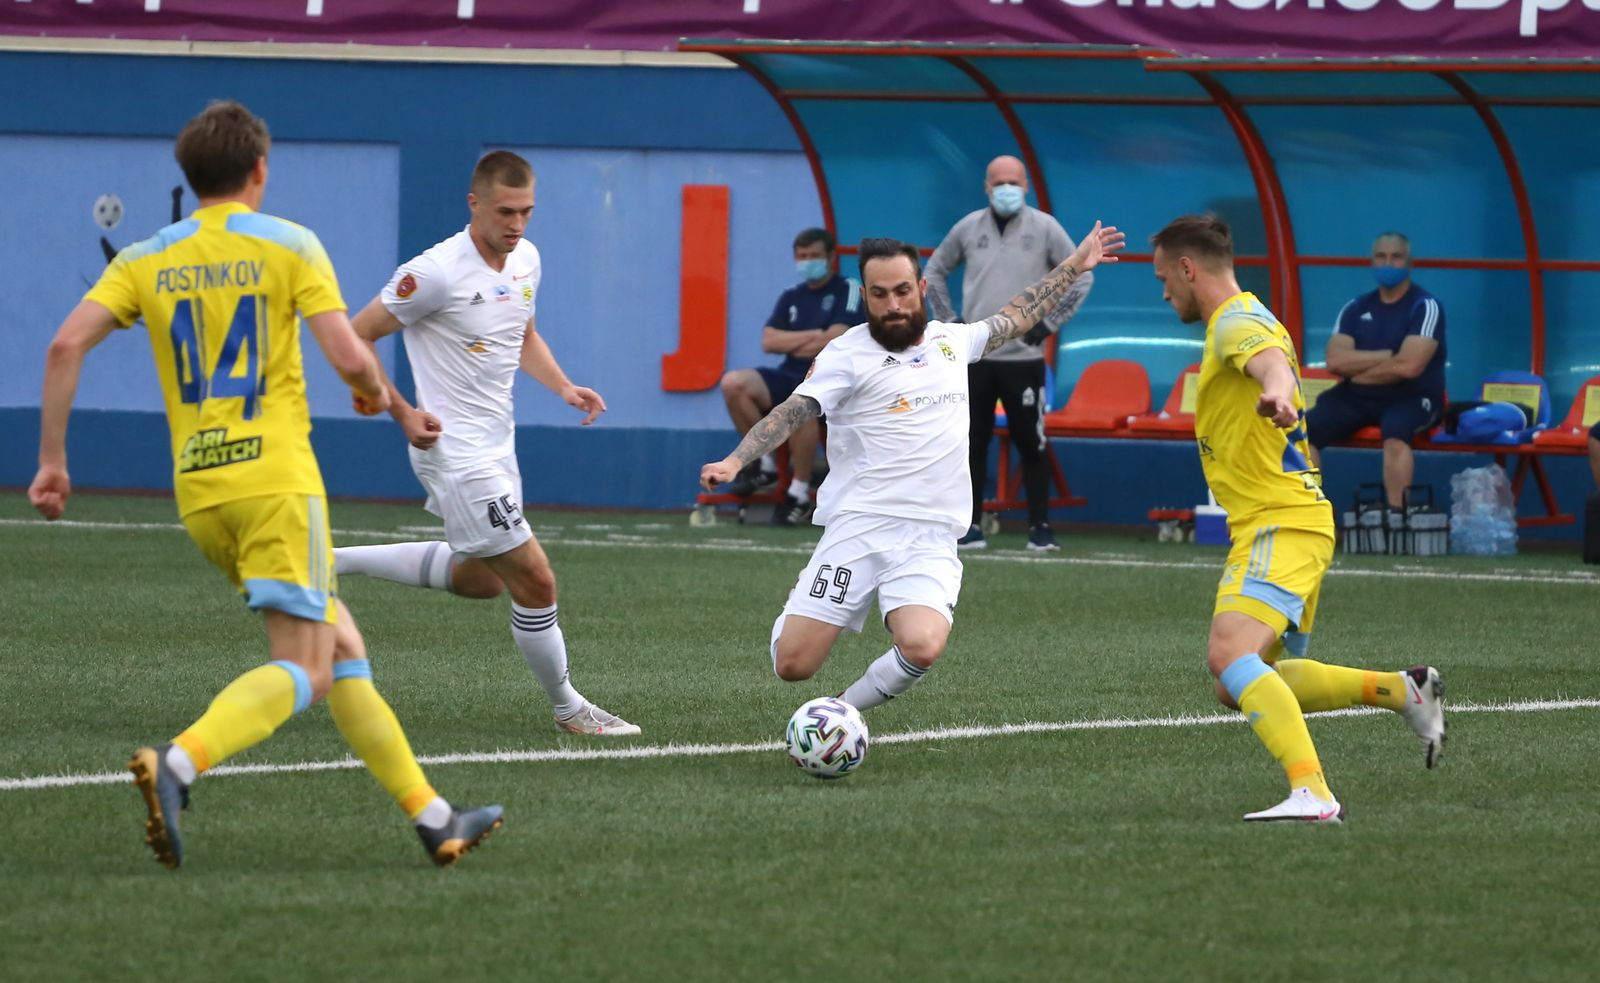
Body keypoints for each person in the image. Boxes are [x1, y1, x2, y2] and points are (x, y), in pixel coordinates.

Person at [27, 100, 502, 869]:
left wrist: (53, 462)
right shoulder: (289, 243)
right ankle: (177, 762)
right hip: (276, 483)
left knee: (341, 647)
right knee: (306, 666)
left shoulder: (144, 258)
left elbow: (62, 347)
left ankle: (435, 816)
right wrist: (376, 396)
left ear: (190, 175)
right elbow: (348, 355)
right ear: (259, 170)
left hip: (200, 492)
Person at [700, 224, 1123, 711]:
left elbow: (1016, 316)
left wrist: (1076, 264)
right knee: (792, 665)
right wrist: (736, 460)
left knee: (922, 645)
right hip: (860, 526)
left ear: (921, 288)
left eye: (902, 291)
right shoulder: (845, 354)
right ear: (865, 296)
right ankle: (802, 609)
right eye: (879, 294)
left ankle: (840, 711)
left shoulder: (952, 341)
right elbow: (794, 411)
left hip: (930, 535)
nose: (893, 304)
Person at [329, 151, 639, 737]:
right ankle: (570, 708)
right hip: (453, 453)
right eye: (505, 212)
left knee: (483, 579)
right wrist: (401, 412)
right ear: (474, 204)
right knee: (536, 580)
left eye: (526, 212)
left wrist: (564, 387)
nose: (517, 224)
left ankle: (325, 563)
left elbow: (521, 333)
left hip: (497, 447)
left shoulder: (527, 260)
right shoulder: (435, 272)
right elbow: (356, 334)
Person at [1150, 214, 1447, 823]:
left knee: (1229, 656)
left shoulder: (1235, 321)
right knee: (1239, 680)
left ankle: (1312, 793)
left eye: (1163, 279)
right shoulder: (1246, 316)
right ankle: (1402, 689)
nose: (1163, 293)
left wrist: (1281, 393)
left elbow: (1271, 365)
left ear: (1187, 268)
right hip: (1286, 519)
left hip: (1279, 521)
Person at [924, 155, 1093, 552]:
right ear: (986, 186)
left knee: (1032, 443)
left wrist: (1048, 325)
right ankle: (969, 526)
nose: (1006, 189)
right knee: (971, 443)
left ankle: (1040, 528)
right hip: (976, 358)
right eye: (999, 182)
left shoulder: (1045, 227)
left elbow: (1081, 275)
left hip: (1024, 360)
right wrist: (951, 322)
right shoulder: (968, 227)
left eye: (1013, 182)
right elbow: (933, 271)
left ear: (1026, 186)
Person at [717, 228, 863, 525]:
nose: (808, 261)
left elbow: (837, 338)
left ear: (830, 257)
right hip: (790, 372)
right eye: (802, 256)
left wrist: (796, 339)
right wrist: (816, 335)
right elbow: (769, 341)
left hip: (831, 379)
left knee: (803, 401)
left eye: (814, 256)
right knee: (733, 384)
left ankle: (798, 492)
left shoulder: (848, 289)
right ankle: (764, 463)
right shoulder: (791, 296)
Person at [1306, 232, 1447, 508]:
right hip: (1357, 397)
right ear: (1372, 261)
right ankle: (1311, 513)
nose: (1388, 263)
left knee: (1396, 431)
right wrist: (1387, 355)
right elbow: (1335, 361)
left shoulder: (1425, 306)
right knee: (1303, 432)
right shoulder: (1355, 307)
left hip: (1412, 396)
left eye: (1396, 257)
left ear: (1410, 263)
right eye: (1381, 257)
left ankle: (1397, 516)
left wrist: (1358, 370)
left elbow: (1409, 367)